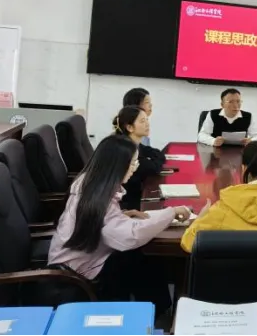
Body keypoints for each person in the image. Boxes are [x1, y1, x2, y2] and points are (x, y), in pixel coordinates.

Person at [47, 135, 191, 317]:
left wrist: (121, 216)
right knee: (143, 256)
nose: (135, 168)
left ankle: (159, 309)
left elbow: (105, 223)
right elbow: (131, 236)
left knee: (144, 255)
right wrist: (170, 213)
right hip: (75, 276)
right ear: (116, 166)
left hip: (81, 261)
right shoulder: (100, 198)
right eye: (132, 164)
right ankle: (156, 314)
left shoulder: (91, 183)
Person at [113, 106, 165, 210]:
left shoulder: (133, 143)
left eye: (147, 120)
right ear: (130, 127)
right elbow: (154, 168)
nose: (147, 124)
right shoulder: (127, 151)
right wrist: (155, 160)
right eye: (142, 121)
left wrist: (155, 160)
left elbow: (157, 153)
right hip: (125, 204)